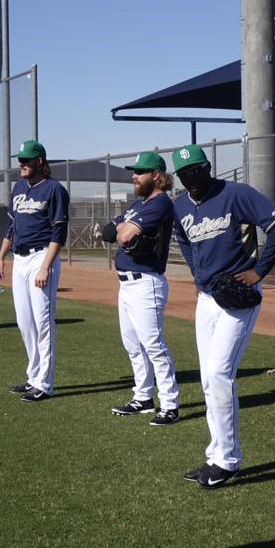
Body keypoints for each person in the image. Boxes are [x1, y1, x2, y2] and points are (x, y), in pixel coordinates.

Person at [171, 144, 275, 488]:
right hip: (206, 299)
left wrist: (260, 271)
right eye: (184, 174)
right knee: (209, 380)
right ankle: (216, 454)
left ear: (208, 167)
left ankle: (228, 461)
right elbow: (183, 240)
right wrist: (197, 275)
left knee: (220, 374)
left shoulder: (236, 194)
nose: (191, 178)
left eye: (196, 170)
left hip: (239, 298)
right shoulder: (181, 206)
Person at [104, 151, 180, 425]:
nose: (133, 176)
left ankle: (170, 404)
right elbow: (106, 232)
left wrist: (123, 226)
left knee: (153, 346)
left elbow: (121, 233)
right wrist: (123, 226)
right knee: (133, 345)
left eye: (140, 171)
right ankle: (143, 397)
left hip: (146, 282)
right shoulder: (140, 205)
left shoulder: (160, 204)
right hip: (126, 284)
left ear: (157, 176)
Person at [0, 140, 69, 403]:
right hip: (19, 259)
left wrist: (46, 267)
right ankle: (33, 375)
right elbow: (11, 227)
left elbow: (59, 231)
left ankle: (45, 383)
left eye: (26, 160)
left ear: (40, 162)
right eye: (20, 160)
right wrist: (1, 257)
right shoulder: (18, 188)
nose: (21, 164)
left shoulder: (54, 189)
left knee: (43, 322)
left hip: (41, 257)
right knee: (24, 322)